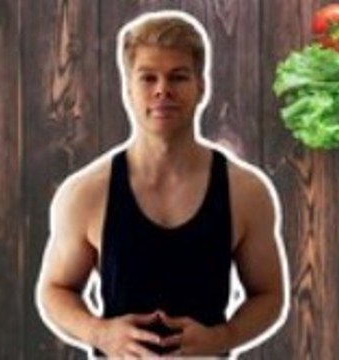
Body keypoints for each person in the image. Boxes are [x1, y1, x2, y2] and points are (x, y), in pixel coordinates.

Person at [35, 11, 288, 358]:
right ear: (127, 89)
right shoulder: (86, 192)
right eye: (147, 78)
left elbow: (269, 294)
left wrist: (222, 337)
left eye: (178, 77)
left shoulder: (245, 192)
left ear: (201, 85)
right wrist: (100, 333)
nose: (162, 90)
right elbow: (54, 289)